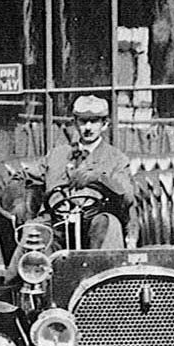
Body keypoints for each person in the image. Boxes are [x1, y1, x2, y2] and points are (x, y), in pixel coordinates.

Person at [40, 94, 135, 250]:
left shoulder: (116, 158)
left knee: (109, 224)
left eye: (94, 121)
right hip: (58, 224)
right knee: (34, 232)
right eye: (83, 121)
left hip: (96, 222)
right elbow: (25, 176)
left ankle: (107, 273)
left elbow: (127, 197)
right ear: (75, 123)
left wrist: (99, 178)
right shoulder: (57, 155)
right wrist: (19, 200)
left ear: (105, 124)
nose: (88, 128)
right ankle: (30, 273)